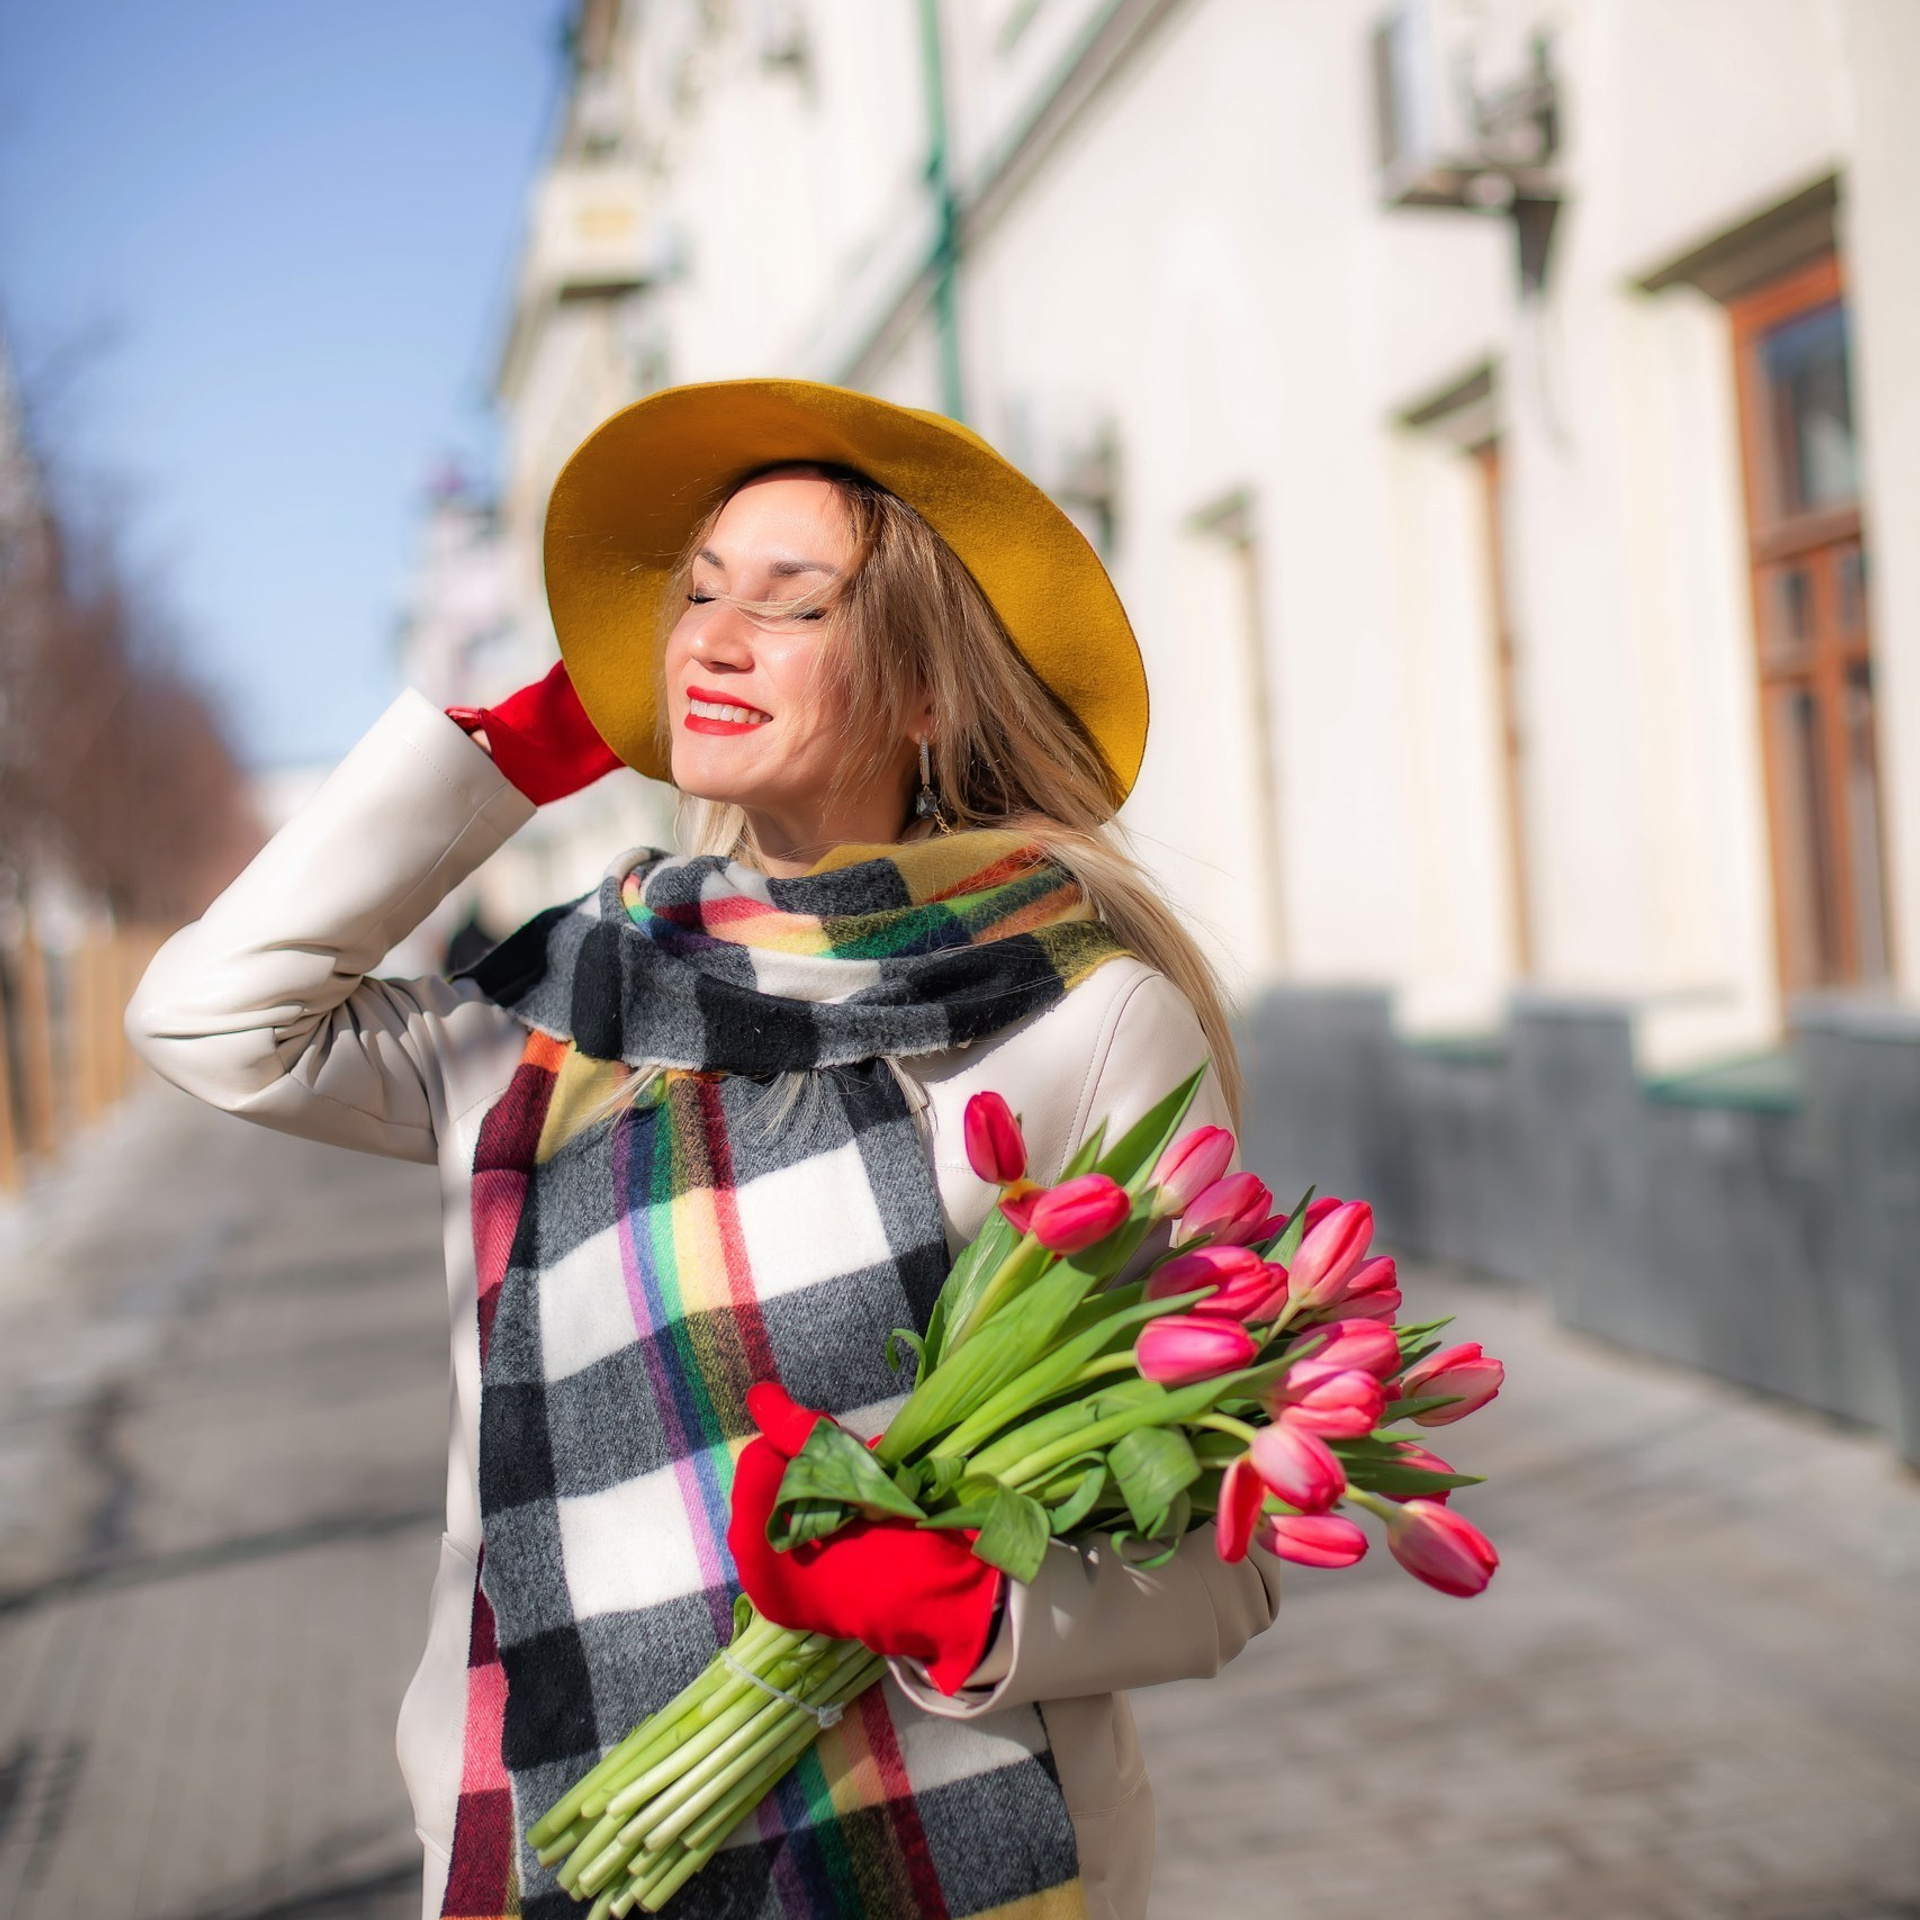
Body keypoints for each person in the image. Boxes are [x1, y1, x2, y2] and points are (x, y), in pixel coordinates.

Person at [127, 379, 1281, 1920]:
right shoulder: (563, 1007)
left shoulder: (1082, 1019)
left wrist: (973, 1603)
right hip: (561, 1840)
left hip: (943, 1861)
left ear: (931, 693)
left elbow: (1240, 1532)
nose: (714, 641)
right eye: (693, 597)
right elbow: (212, 1025)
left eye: (792, 608)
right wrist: (506, 751)